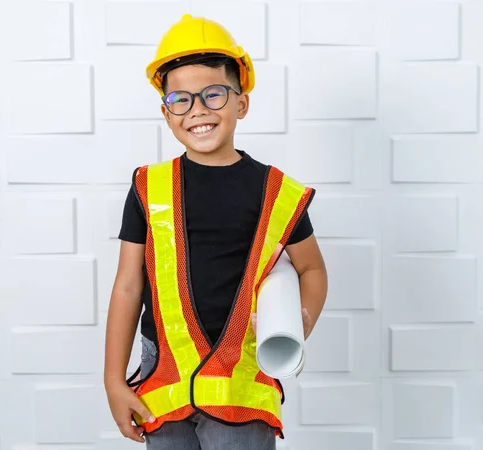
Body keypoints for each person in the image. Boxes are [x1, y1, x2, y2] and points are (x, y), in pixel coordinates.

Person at [104, 13, 328, 450]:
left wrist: (300, 323)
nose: (198, 110)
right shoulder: (147, 188)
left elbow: (313, 269)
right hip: (163, 381)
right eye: (181, 100)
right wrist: (114, 380)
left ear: (241, 102)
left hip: (240, 385)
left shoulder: (276, 192)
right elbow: (129, 286)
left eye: (213, 94)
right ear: (166, 113)